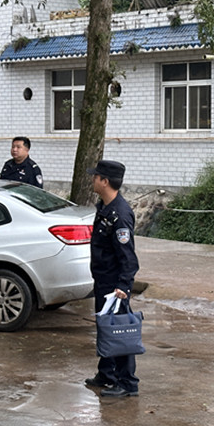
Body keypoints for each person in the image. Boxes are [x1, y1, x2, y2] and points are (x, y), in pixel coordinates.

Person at [84, 159, 140, 397]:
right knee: (106, 328)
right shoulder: (105, 207)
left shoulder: (120, 215)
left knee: (120, 332)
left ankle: (127, 382)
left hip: (115, 286)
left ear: (104, 181)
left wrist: (123, 286)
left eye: (96, 177)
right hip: (103, 281)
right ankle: (107, 373)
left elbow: (128, 258)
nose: (93, 179)